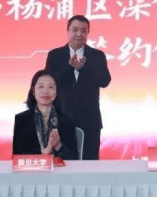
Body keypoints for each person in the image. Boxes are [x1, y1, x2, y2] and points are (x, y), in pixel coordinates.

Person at [45, 15, 111, 160]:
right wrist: (69, 68)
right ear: (68, 31)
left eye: (83, 31)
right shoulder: (55, 55)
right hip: (61, 118)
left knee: (90, 163)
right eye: (75, 30)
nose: (79, 34)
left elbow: (105, 81)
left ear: (88, 33)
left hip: (90, 119)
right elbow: (49, 83)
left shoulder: (97, 55)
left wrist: (84, 68)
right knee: (62, 162)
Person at [13, 69, 78, 160]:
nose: (45, 91)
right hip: (32, 169)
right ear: (33, 90)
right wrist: (43, 153)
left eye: (50, 87)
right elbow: (17, 157)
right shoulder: (21, 120)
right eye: (41, 87)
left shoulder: (67, 121)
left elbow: (74, 158)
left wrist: (58, 146)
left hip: (59, 169)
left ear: (57, 91)